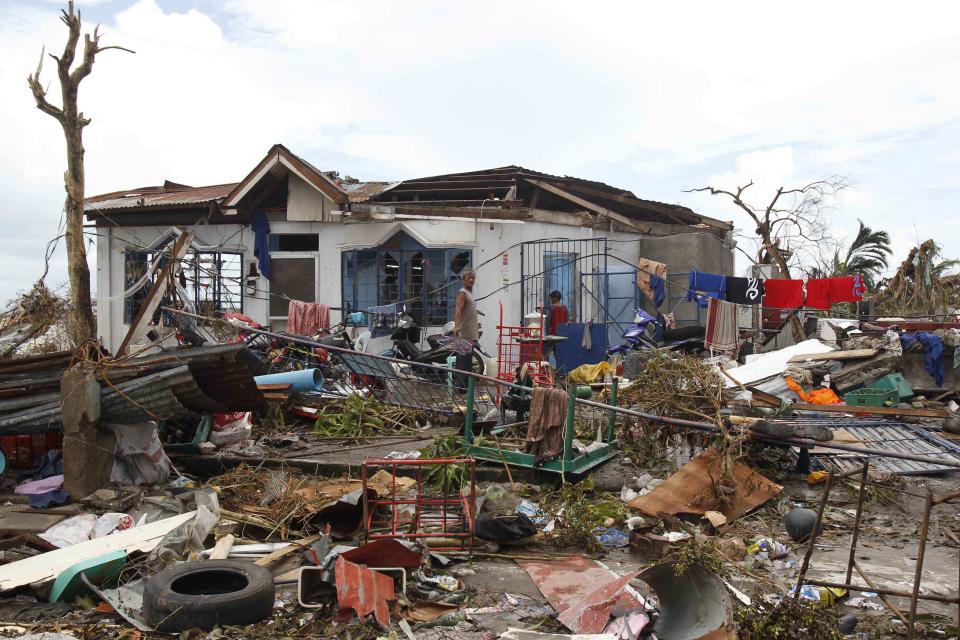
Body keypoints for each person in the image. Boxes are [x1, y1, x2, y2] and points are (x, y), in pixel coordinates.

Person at [453, 268, 480, 391]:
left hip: (470, 334)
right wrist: (457, 326)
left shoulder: (469, 293)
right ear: (463, 280)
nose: (472, 280)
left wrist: (474, 312)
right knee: (463, 363)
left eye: (473, 278)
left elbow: (466, 310)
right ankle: (461, 389)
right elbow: (458, 310)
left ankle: (466, 388)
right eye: (469, 278)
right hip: (464, 335)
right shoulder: (462, 293)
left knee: (467, 362)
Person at [543, 290, 568, 364]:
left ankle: (545, 369)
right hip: (561, 336)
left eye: (552, 298)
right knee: (559, 355)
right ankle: (560, 371)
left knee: (545, 352)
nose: (551, 300)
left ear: (556, 298)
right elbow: (567, 320)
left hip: (552, 336)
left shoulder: (552, 308)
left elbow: (547, 322)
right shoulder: (564, 308)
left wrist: (546, 334)